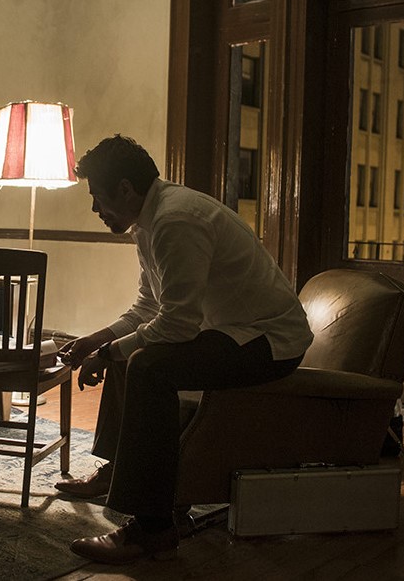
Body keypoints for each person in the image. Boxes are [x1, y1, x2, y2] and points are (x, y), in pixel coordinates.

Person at [55, 135, 313, 564]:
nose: (95, 208)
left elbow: (176, 325)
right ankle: (119, 469)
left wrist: (110, 353)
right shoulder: (147, 221)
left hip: (269, 340)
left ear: (125, 188)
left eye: (97, 196)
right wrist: (97, 342)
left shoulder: (176, 220)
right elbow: (149, 307)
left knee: (148, 365)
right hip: (228, 330)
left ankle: (153, 528)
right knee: (129, 352)